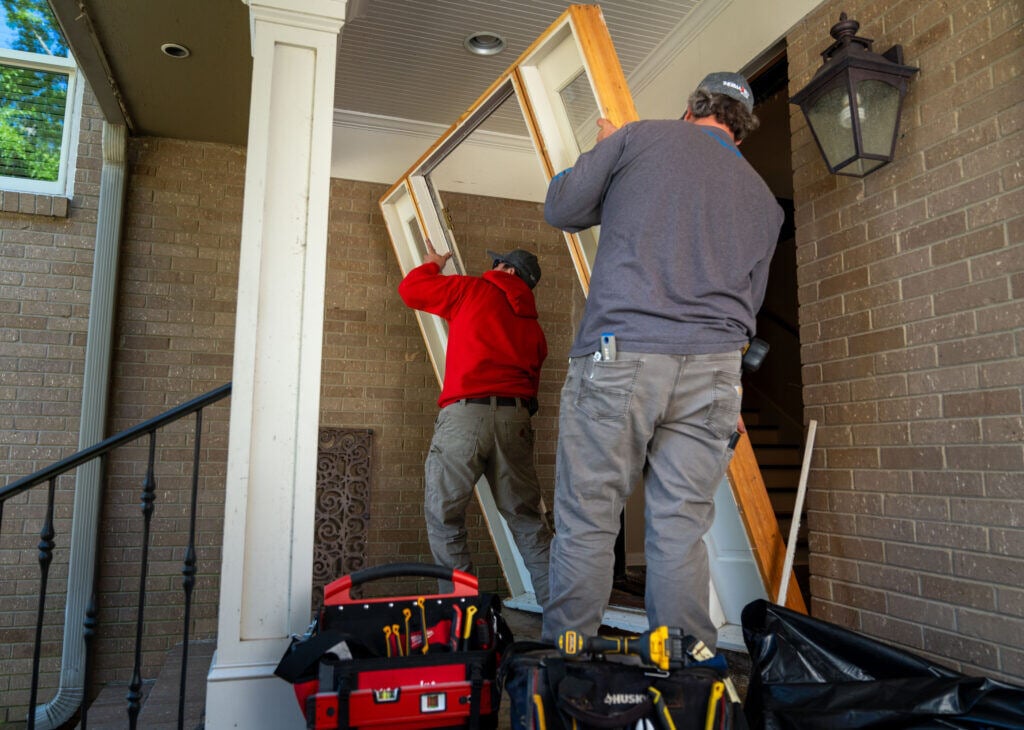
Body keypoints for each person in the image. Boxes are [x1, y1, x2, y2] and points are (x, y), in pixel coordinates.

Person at [541, 72, 783, 650]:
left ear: (689, 108)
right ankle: (688, 670)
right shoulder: (764, 201)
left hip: (624, 355)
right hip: (716, 372)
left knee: (589, 517)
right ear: (742, 133)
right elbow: (748, 307)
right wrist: (731, 390)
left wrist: (602, 146)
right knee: (680, 530)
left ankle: (568, 666)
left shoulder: (637, 137)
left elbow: (564, 208)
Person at [398, 240, 554, 607]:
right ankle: (563, 621)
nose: (493, 266)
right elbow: (532, 385)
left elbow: (412, 291)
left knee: (445, 516)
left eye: (499, 262)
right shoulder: (535, 330)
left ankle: (461, 617)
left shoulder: (473, 290)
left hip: (466, 417)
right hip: (515, 419)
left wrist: (432, 264)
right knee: (529, 522)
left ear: (510, 272)